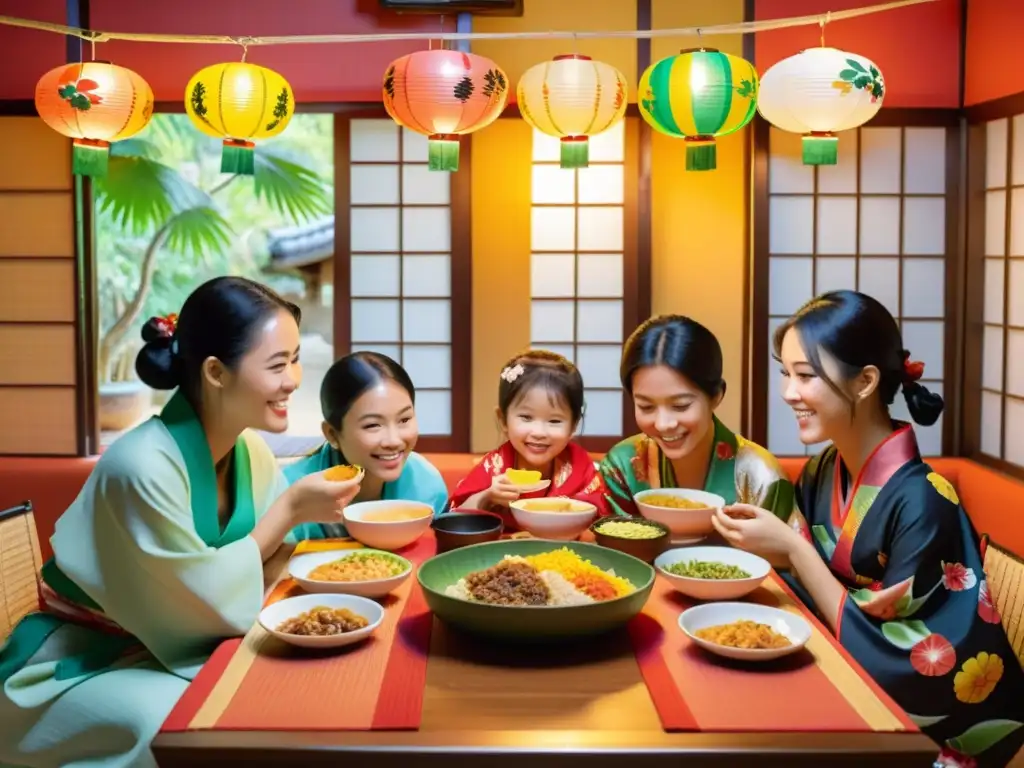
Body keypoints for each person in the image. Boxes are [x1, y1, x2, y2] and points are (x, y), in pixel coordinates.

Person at [0, 277, 360, 768]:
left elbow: (276, 562)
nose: (294, 379)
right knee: (187, 726)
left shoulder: (249, 448)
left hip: (166, 646)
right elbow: (202, 602)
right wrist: (290, 510)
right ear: (216, 372)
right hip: (78, 661)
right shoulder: (141, 465)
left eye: (295, 359)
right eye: (277, 364)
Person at [712, 290, 1024, 768]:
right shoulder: (824, 469)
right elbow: (809, 584)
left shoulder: (923, 500)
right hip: (837, 678)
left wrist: (795, 552)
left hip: (924, 733)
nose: (788, 392)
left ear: (865, 382)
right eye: (785, 373)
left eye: (805, 375)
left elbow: (917, 660)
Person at [600, 315, 795, 522]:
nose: (663, 424)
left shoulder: (761, 475)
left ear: (716, 396)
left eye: (680, 406)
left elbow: (781, 552)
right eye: (646, 407)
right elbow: (612, 547)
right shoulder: (621, 467)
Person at [284, 351, 449, 540]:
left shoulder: (426, 483)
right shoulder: (288, 490)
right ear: (333, 434)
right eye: (373, 425)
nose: (393, 440)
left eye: (404, 419)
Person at [450, 350, 609, 530]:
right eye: (526, 417)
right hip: (504, 552)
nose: (539, 432)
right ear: (503, 419)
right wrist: (487, 496)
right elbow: (455, 517)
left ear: (573, 425)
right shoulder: (493, 467)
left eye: (554, 421)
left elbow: (600, 514)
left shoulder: (579, 464)